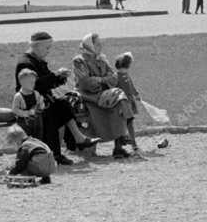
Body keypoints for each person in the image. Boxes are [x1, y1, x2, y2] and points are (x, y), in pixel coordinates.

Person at [15, 31, 97, 164]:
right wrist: (55, 75)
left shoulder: (37, 60)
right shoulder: (25, 63)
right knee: (53, 111)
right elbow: (33, 85)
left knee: (63, 104)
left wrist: (60, 77)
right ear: (36, 46)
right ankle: (61, 151)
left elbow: (47, 82)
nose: (48, 51)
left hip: (41, 99)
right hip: (28, 102)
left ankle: (76, 141)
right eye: (47, 48)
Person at [73, 32, 135, 158]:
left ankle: (119, 147)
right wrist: (103, 80)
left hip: (103, 94)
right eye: (97, 44)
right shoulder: (79, 61)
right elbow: (86, 83)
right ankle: (123, 135)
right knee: (120, 98)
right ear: (89, 45)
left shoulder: (101, 59)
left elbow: (114, 78)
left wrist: (99, 80)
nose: (100, 46)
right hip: (87, 95)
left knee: (119, 101)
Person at [114, 51, 171, 152]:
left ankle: (129, 143)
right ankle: (129, 144)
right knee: (126, 124)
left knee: (128, 123)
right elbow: (123, 88)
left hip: (128, 103)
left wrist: (136, 94)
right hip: (123, 104)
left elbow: (131, 86)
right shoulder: (118, 76)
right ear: (127, 65)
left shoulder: (124, 75)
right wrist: (134, 94)